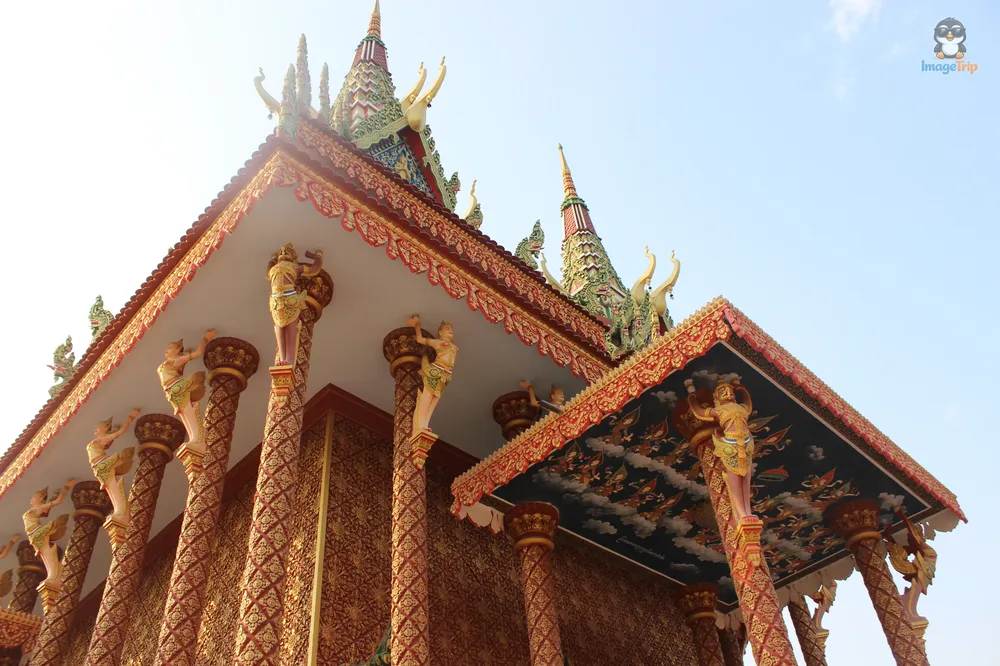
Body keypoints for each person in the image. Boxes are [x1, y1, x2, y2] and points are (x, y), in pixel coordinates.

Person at [686, 378, 755, 522]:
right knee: (735, 477)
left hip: (746, 443)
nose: (728, 393)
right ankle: (741, 513)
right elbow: (699, 412)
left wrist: (741, 388)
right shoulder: (719, 410)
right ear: (716, 397)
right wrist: (691, 394)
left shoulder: (741, 408)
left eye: (730, 390)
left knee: (746, 477)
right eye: (723, 391)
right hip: (730, 444)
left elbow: (748, 405)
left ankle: (747, 511)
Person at [158, 330, 216, 451]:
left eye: (170, 348)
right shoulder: (171, 362)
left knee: (188, 412)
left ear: (178, 350)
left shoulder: (175, 360)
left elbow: (198, 353)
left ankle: (198, 438)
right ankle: (194, 437)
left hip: (177, 387)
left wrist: (205, 339)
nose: (166, 350)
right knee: (183, 413)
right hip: (171, 390)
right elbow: (180, 371)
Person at [267, 243, 323, 366]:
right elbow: (315, 269)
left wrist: (273, 259)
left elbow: (314, 269)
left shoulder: (287, 267)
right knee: (284, 329)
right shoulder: (287, 267)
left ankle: (287, 359)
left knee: (285, 329)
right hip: (282, 300)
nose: (283, 254)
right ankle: (285, 359)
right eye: (282, 252)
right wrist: (318, 257)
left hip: (283, 299)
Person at [406, 314, 458, 437]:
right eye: (447, 329)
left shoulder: (453, 346)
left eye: (451, 329)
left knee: (435, 399)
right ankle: (420, 425)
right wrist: (417, 325)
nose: (450, 331)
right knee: (427, 397)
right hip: (435, 370)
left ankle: (425, 424)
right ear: (440, 332)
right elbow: (420, 340)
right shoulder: (438, 342)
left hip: (446, 374)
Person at [87, 408, 141, 520]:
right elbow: (109, 443)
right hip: (98, 466)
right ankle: (118, 509)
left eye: (98, 427)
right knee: (109, 487)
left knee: (112, 487)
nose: (95, 429)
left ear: (105, 428)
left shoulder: (103, 438)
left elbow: (120, 432)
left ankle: (121, 510)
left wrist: (130, 418)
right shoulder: (101, 439)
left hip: (103, 464)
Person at [22, 480, 75, 589]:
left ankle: (53, 574)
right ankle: (54, 572)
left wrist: (66, 487)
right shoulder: (37, 508)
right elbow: (47, 510)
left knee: (46, 552)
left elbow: (58, 501)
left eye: (34, 497)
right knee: (44, 553)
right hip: (33, 534)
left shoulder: (39, 507)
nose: (31, 499)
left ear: (41, 498)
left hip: (37, 532)